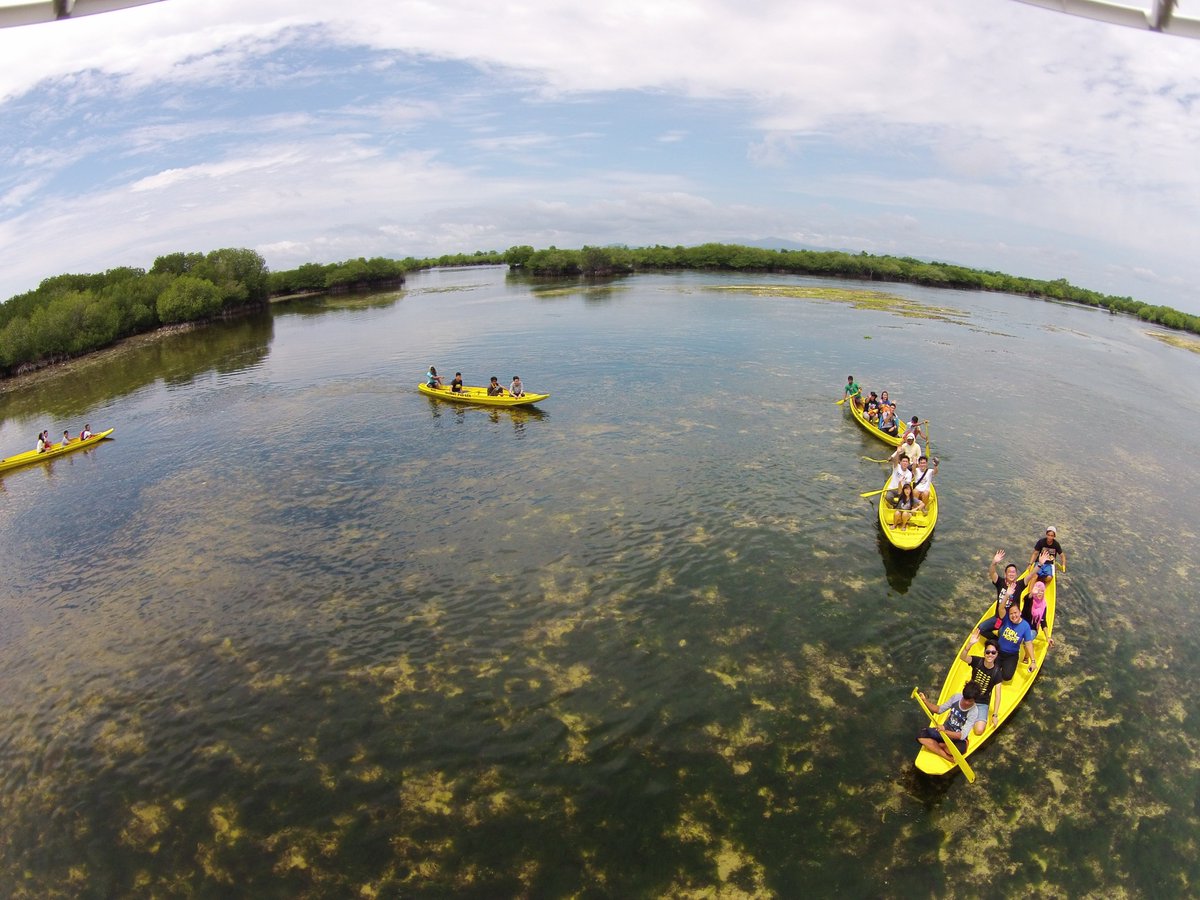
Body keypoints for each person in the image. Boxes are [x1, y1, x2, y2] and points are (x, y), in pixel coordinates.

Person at [915, 682, 985, 763]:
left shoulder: (974, 712)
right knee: (920, 736)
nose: (966, 703)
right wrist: (925, 701)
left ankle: (939, 745)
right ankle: (947, 756)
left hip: (956, 737)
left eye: (970, 701)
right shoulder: (956, 697)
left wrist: (944, 732)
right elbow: (938, 709)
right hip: (944, 730)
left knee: (958, 750)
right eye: (965, 699)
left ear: (975, 700)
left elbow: (962, 735)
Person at [970, 603, 1038, 683]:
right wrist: (1007, 595)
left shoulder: (1025, 626)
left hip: (1011, 655)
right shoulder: (1007, 619)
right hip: (998, 651)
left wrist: (1033, 661)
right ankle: (996, 669)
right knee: (988, 669)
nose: (1013, 616)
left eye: (1015, 613)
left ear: (1020, 612)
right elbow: (1001, 608)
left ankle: (998, 671)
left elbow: (1028, 644)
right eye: (1011, 614)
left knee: (1007, 677)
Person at [959, 640, 1003, 729]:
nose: (990, 654)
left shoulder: (997, 673)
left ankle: (970, 718)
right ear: (984, 653)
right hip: (969, 697)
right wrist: (969, 645)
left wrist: (995, 715)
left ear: (996, 654)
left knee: (979, 730)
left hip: (982, 702)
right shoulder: (977, 661)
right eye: (988, 652)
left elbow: (998, 696)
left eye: (993, 652)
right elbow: (962, 657)